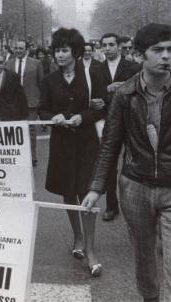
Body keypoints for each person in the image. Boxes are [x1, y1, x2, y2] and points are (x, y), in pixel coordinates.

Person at [82, 23, 171, 302]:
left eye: (170, 49)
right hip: (135, 188)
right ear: (139, 55)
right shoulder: (124, 94)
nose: (166, 56)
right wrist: (96, 188)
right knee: (145, 263)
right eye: (157, 50)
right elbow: (109, 145)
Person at [39, 28, 106, 277]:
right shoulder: (49, 80)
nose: (60, 54)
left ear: (75, 52)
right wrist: (51, 116)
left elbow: (101, 108)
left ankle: (90, 249)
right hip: (62, 145)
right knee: (69, 192)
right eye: (57, 50)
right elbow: (43, 109)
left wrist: (82, 116)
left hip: (87, 142)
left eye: (65, 50)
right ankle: (77, 237)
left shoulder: (92, 74)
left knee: (87, 193)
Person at [94, 32, 141, 222]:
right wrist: (105, 92)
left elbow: (139, 90)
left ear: (118, 46)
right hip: (108, 121)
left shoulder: (133, 66)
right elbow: (95, 95)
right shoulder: (96, 70)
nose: (108, 48)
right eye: (104, 45)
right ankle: (112, 206)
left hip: (132, 120)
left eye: (111, 45)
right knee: (110, 163)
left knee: (134, 163)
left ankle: (136, 207)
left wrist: (121, 87)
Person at [5, 41, 44, 166]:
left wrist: (41, 102)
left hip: (31, 101)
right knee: (15, 130)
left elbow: (41, 83)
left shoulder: (36, 63)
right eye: (16, 48)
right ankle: (18, 156)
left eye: (21, 48)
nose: (18, 50)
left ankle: (32, 157)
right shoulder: (8, 64)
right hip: (13, 103)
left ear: (26, 49)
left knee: (30, 129)